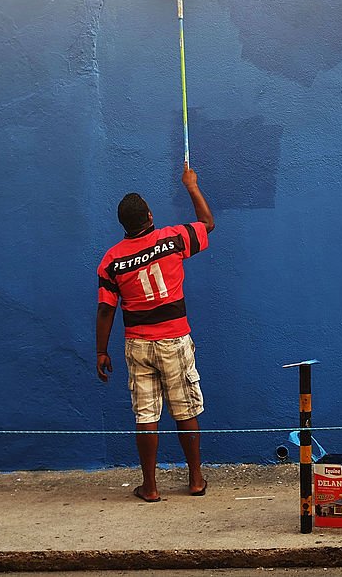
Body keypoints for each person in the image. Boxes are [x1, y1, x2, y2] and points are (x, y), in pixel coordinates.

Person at [95, 164, 215, 502]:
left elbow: (106, 309)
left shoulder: (111, 261)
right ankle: (195, 479)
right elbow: (208, 224)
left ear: (124, 225)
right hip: (175, 340)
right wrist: (191, 185)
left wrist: (100, 351)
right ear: (149, 214)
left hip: (138, 344)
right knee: (185, 409)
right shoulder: (173, 239)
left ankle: (150, 486)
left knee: (146, 414)